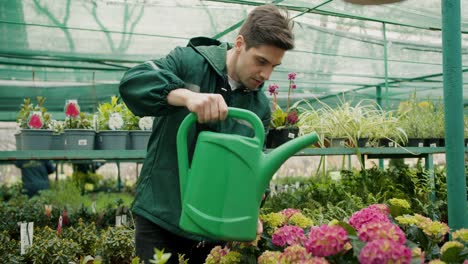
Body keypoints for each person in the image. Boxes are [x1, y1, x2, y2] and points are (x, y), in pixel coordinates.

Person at [119, 4, 294, 263]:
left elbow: (250, 169)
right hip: (161, 216)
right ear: (239, 43)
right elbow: (133, 82)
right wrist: (187, 96)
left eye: (274, 66)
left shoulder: (258, 107)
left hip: (214, 226)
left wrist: (248, 212)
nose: (266, 75)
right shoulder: (189, 62)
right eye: (261, 61)